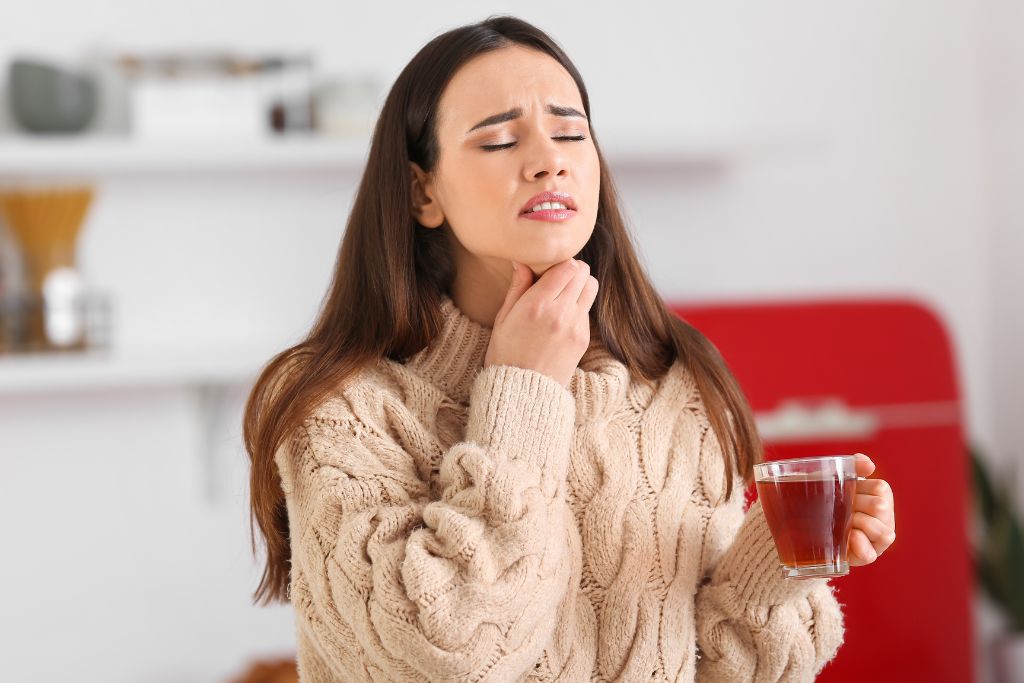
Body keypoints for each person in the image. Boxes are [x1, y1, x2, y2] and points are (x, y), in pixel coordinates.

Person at [243, 15, 897, 682]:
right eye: (500, 139)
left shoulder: (678, 384)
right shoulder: (339, 404)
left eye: (569, 132)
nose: (548, 158)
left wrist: (773, 566)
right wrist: (524, 389)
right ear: (422, 192)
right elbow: (455, 651)